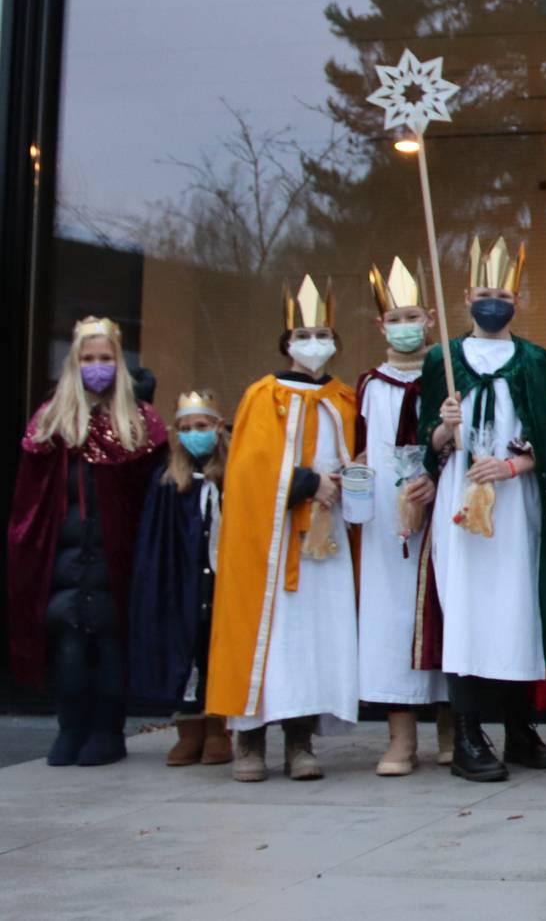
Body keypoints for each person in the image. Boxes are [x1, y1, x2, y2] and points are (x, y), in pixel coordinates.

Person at [419, 237, 546, 782]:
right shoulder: (442, 359)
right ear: (465, 296)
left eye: (502, 292)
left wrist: (513, 468)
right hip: (463, 508)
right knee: (468, 611)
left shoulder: (532, 360)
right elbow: (425, 445)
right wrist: (444, 426)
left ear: (516, 298)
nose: (493, 300)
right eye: (484, 291)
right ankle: (466, 732)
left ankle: (519, 727)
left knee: (514, 610)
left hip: (513, 507)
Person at [207, 279, 361, 781]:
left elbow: (358, 458)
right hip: (270, 541)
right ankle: (249, 742)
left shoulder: (342, 398)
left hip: (326, 541)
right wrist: (310, 481)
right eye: (303, 332)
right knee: (266, 637)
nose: (313, 341)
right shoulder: (262, 395)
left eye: (322, 332)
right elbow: (249, 470)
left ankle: (300, 742)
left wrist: (350, 480)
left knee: (311, 640)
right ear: (287, 341)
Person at [8, 317, 166, 766]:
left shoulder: (139, 423)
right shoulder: (51, 421)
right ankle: (70, 727)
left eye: (106, 359)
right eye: (88, 359)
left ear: (120, 363)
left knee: (111, 643)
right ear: (73, 365)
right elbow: (30, 499)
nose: (97, 367)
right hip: (63, 557)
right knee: (70, 646)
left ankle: (107, 730)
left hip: (117, 556)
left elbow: (150, 497)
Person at [355, 259, 450, 776]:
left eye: (413, 315)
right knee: (392, 619)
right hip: (386, 524)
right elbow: (361, 451)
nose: (405, 325)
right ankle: (400, 735)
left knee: (443, 611)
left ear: (431, 317)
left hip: (441, 509)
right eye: (395, 318)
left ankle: (451, 727)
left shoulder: (449, 373)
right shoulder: (369, 385)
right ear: (381, 326)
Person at [130, 390, 230, 766]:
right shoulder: (169, 480)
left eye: (202, 426)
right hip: (184, 583)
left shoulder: (230, 477)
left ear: (218, 427)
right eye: (186, 428)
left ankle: (219, 729)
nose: (195, 434)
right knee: (186, 653)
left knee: (215, 652)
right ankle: (189, 730)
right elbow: (158, 540)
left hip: (220, 583)